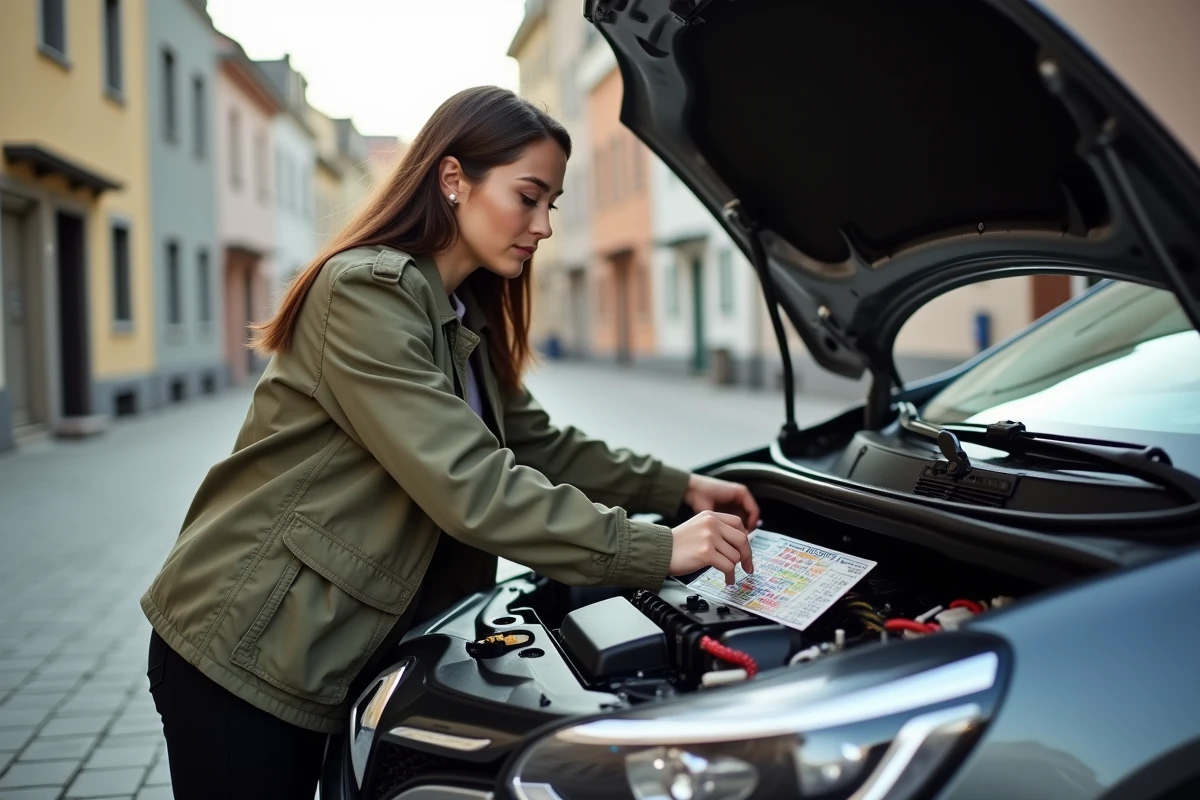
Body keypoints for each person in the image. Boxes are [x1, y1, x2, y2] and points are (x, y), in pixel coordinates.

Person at [141, 86, 760, 798]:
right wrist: (656, 549)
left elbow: (538, 445)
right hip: (249, 643)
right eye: (527, 197)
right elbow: (470, 485)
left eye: (552, 204)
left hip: (325, 645)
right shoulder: (366, 293)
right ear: (453, 178)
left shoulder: (462, 314)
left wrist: (679, 488)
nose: (543, 226)